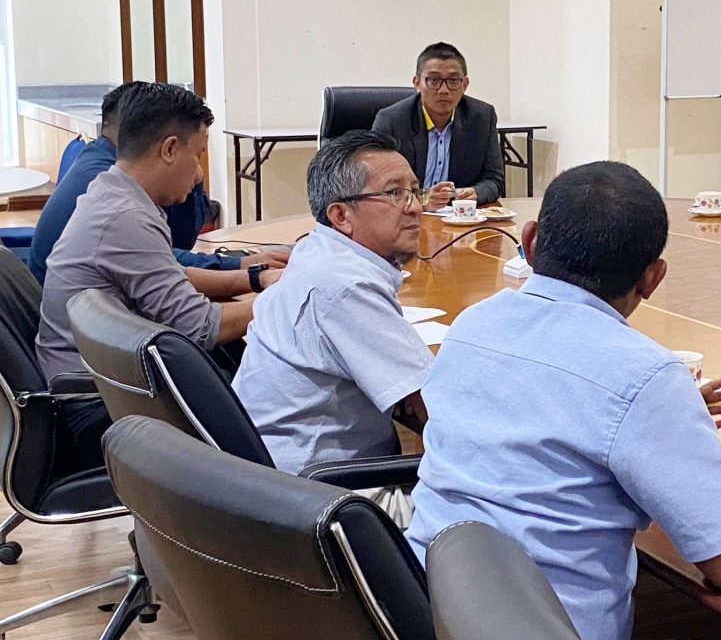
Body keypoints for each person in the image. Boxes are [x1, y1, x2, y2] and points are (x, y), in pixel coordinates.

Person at [405, 161, 721, 640]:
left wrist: (655, 424)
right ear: (653, 278)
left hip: (428, 620)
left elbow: (550, 412)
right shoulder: (643, 376)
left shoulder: (472, 324)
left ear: (530, 241)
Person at [36, 83, 281, 467]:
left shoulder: (111, 192)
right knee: (273, 396)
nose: (198, 174)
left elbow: (171, 273)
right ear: (168, 149)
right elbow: (201, 327)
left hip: (101, 383)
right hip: (101, 406)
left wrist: (255, 278)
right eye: (197, 155)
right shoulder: (125, 217)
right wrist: (288, 297)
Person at [233, 130, 433, 495]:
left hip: (271, 475)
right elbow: (434, 406)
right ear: (341, 215)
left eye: (415, 191)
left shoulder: (316, 250)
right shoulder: (345, 287)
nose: (415, 207)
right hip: (320, 495)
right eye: (394, 193)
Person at [28, 81, 288, 284]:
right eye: (197, 154)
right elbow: (165, 263)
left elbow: (172, 246)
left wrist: (251, 275)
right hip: (75, 322)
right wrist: (253, 278)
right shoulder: (109, 188)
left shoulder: (107, 169)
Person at [372, 41, 504, 208]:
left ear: (464, 85)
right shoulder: (391, 120)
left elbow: (494, 179)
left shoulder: (482, 117)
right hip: (407, 215)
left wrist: (476, 192)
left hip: (458, 217)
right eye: (434, 80)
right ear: (417, 83)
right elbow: (376, 186)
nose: (444, 90)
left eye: (453, 80)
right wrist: (423, 199)